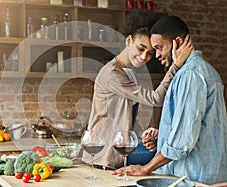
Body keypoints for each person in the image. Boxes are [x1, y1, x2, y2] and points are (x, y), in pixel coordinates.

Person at [110, 15, 227, 185]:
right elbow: (198, 125)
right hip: (201, 172)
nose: (156, 55)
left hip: (192, 177)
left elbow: (181, 142)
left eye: (159, 48)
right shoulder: (203, 70)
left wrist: (146, 168)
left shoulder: (189, 75)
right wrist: (163, 135)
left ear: (178, 42)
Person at [81, 26, 193, 169]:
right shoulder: (112, 74)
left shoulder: (127, 72)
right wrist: (176, 66)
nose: (144, 56)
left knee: (164, 152)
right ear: (129, 41)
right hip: (107, 152)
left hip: (120, 145)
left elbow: (125, 116)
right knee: (165, 155)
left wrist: (143, 134)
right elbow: (155, 99)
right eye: (141, 49)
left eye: (150, 53)